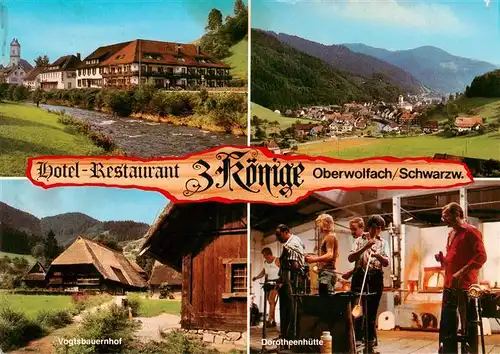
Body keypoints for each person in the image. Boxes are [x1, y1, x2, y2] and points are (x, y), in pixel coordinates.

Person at [435, 202, 487, 354]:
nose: (443, 220)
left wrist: (462, 272)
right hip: (449, 285)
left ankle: (469, 352)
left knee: (468, 325)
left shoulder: (471, 232)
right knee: (447, 325)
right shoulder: (451, 234)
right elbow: (451, 262)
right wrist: (442, 260)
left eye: (446, 217)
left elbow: (481, 257)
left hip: (465, 286)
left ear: (457, 214)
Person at [348, 215, 389, 354]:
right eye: (375, 228)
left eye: (380, 229)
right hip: (360, 276)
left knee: (371, 313)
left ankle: (370, 345)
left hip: (375, 277)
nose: (378, 231)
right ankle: (356, 343)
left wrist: (377, 255)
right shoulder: (359, 240)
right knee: (357, 311)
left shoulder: (383, 243)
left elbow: (386, 262)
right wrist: (365, 247)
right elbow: (350, 257)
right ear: (369, 226)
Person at [275, 224, 306, 341]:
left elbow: (295, 266)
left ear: (285, 232)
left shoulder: (290, 245)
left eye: (279, 235)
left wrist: (284, 281)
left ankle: (288, 335)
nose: (278, 239)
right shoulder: (297, 239)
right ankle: (288, 335)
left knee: (288, 309)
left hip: (291, 281)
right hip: (291, 279)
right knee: (291, 308)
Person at [305, 214, 338, 295]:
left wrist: (313, 260)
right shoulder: (328, 237)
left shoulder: (330, 237)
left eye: (319, 224)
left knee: (325, 301)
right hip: (325, 273)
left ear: (325, 224)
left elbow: (330, 255)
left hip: (327, 274)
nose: (318, 227)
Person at [252, 247, 280, 327]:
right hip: (268, 283)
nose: (264, 257)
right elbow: (264, 272)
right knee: (271, 302)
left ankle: (269, 320)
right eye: (264, 255)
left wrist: (281, 281)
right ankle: (273, 320)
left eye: (265, 255)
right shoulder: (265, 262)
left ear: (269, 254)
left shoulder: (277, 260)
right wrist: (257, 277)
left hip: (276, 282)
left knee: (271, 300)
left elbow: (282, 271)